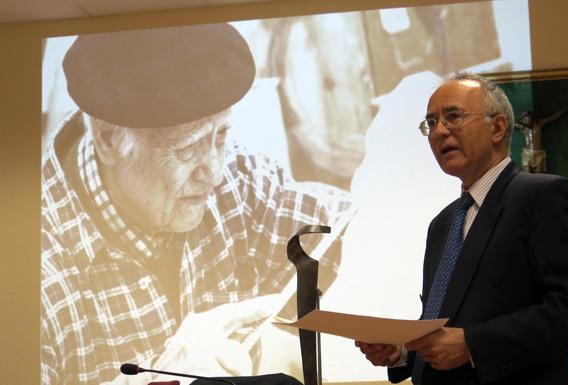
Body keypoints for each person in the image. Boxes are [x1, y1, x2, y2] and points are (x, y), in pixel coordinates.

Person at [41, 23, 351, 385]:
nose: (215, 173)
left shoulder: (237, 180)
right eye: (186, 148)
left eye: (220, 134)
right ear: (109, 140)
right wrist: (161, 379)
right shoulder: (33, 271)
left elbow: (348, 228)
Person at [355, 72, 568, 385]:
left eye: (453, 116)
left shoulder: (543, 196)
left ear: (498, 127)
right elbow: (445, 326)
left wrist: (475, 345)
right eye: (431, 123)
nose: (439, 131)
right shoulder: (442, 224)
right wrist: (401, 351)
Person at [514, 106, 568, 173]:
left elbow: (552, 118)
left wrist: (565, 109)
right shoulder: (522, 127)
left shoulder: (539, 124)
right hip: (527, 153)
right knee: (526, 174)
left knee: (538, 175)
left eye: (525, 118)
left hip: (538, 153)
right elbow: (511, 124)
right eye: (522, 120)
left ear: (530, 117)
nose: (524, 121)